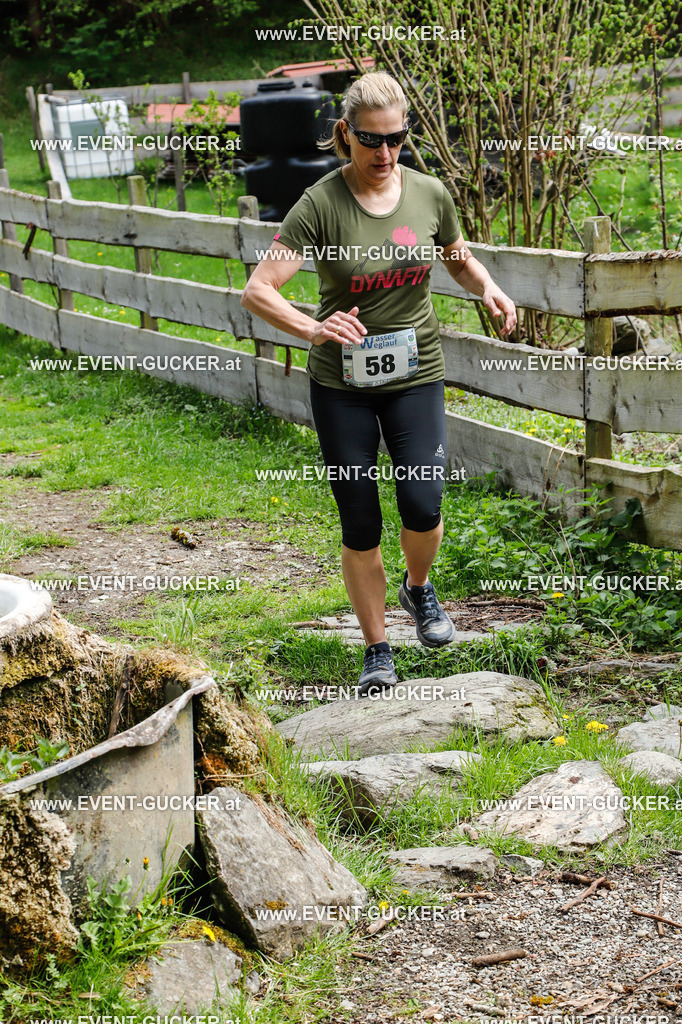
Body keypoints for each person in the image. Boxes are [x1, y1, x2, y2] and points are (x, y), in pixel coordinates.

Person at [241, 70, 516, 695]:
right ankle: (377, 648)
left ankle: (418, 590)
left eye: (397, 139)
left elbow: (457, 257)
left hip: (416, 371)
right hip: (342, 386)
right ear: (346, 134)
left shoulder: (429, 194)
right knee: (359, 517)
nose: (385, 154)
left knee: (423, 503)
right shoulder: (319, 204)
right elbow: (258, 291)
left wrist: (489, 286)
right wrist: (314, 328)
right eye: (371, 141)